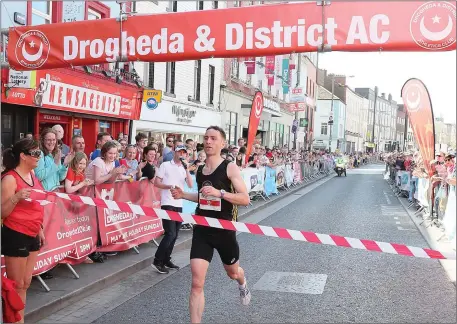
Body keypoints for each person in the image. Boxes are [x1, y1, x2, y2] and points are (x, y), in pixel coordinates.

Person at [171, 126, 251, 323]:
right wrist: (184, 195)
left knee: (232, 273)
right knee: (197, 283)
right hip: (203, 230)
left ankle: (242, 282)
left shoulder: (229, 167)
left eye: (213, 138)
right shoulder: (200, 170)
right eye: (206, 138)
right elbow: (203, 198)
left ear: (222, 143)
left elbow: (245, 199)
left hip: (225, 230)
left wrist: (220, 193)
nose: (208, 142)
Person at [1, 138, 45, 323]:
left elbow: (36, 202)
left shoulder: (32, 175)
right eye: (35, 154)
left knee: (25, 283)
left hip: (33, 232)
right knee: (16, 285)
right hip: (15, 234)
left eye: (39, 153)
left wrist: (40, 228)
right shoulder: (10, 178)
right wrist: (17, 197)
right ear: (23, 156)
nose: (38, 157)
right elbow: (2, 211)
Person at [152, 144, 193, 274]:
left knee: (175, 235)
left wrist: (187, 169)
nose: (181, 154)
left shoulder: (183, 168)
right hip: (167, 202)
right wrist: (168, 186)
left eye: (184, 153)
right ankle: (157, 261)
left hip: (179, 203)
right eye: (179, 152)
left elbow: (191, 184)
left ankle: (166, 259)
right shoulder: (165, 165)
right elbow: (156, 183)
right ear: (174, 153)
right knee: (170, 233)